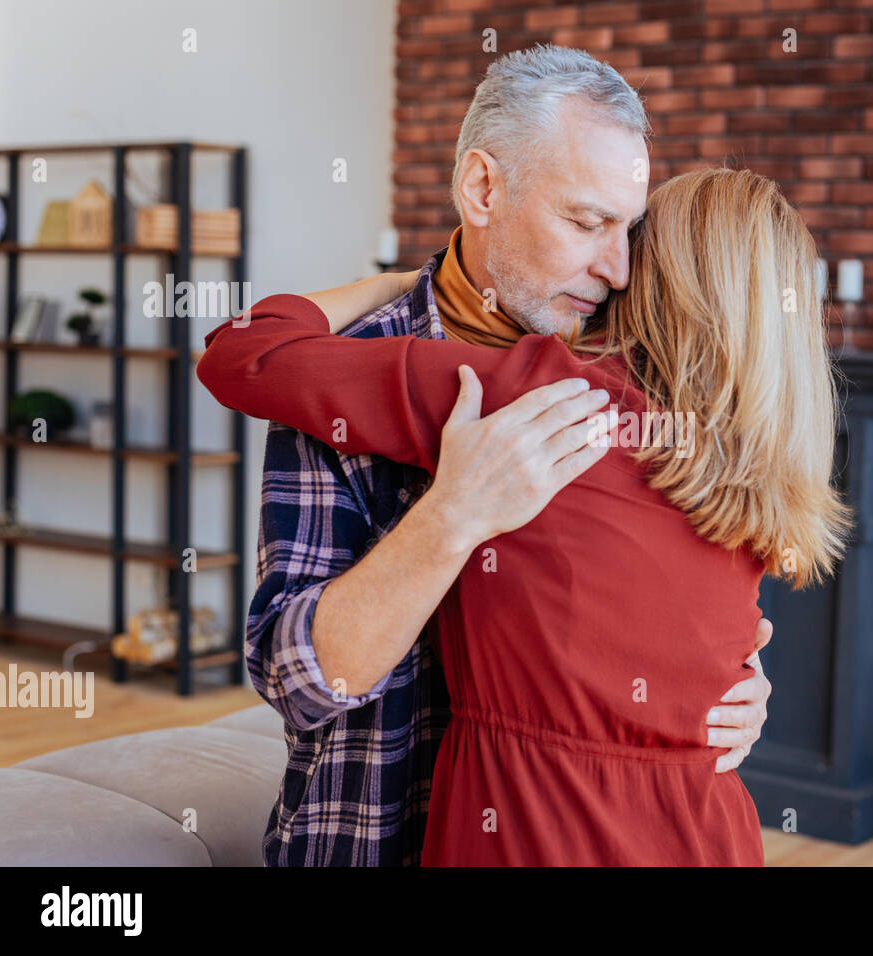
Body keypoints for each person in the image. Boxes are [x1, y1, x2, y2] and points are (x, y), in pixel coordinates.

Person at [210, 44, 774, 867]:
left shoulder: (638, 368)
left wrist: (741, 685)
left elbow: (700, 598)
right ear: (482, 188)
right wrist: (454, 517)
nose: (616, 268)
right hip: (371, 842)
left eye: (629, 230)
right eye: (585, 223)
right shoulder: (346, 372)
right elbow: (294, 681)